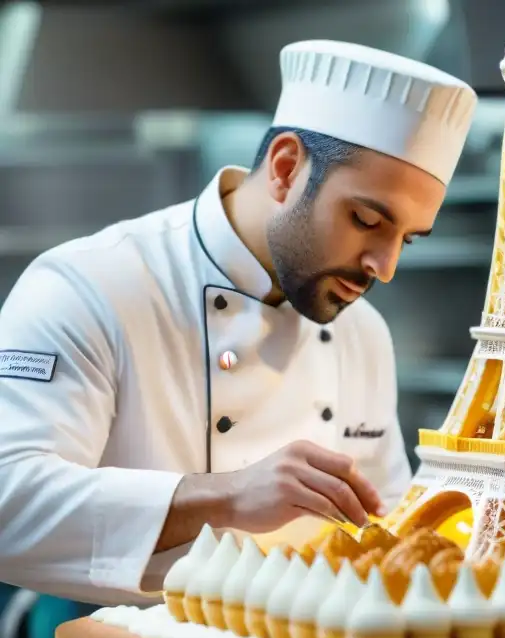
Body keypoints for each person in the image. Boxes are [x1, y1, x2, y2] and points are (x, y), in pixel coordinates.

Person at [0, 40, 478, 606]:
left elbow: (385, 520)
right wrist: (224, 497)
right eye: (367, 219)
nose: (386, 265)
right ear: (285, 168)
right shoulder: (91, 285)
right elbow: (9, 502)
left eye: (407, 239)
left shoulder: (362, 332)